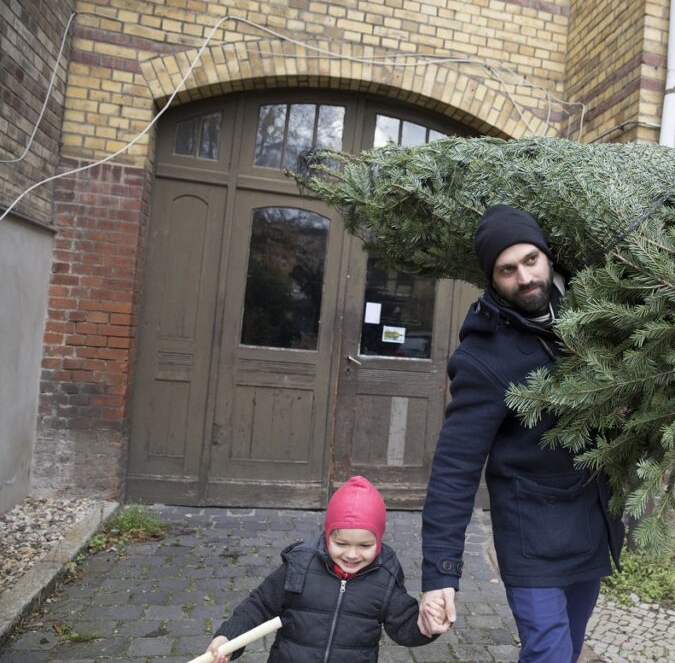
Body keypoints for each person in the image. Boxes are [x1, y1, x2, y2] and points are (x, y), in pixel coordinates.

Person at [417, 204, 624, 662]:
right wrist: (440, 575)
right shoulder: (482, 359)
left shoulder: (592, 319)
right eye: (507, 270)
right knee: (548, 653)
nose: (525, 278)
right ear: (493, 280)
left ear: (548, 256)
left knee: (567, 650)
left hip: (589, 525)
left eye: (531, 260)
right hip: (531, 536)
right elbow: (455, 470)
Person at [205, 476, 437, 662]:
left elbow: (404, 626)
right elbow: (258, 605)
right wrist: (228, 638)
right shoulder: (300, 564)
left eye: (365, 545)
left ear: (379, 540)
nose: (352, 554)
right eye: (341, 544)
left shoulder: (385, 575)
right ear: (327, 535)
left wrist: (430, 625)